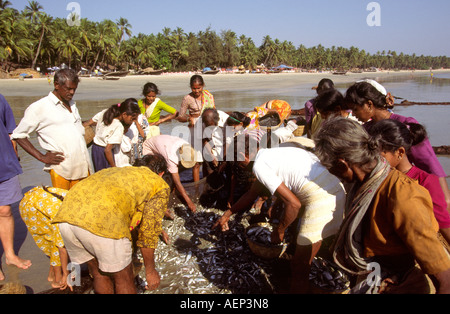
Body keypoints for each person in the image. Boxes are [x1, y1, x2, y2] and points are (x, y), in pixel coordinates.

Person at [314, 116, 450, 294]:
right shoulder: (362, 186)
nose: (335, 176)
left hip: (403, 286)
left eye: (331, 169)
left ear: (342, 164)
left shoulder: (403, 195)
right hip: (375, 277)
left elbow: (445, 280)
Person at [213, 134, 346, 293]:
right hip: (337, 192)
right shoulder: (274, 153)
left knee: (299, 267)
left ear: (243, 155)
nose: (240, 167)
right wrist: (227, 214)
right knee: (304, 257)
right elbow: (251, 194)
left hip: (322, 201)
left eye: (238, 162)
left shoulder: (260, 165)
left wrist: (279, 230)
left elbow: (294, 204)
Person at [52, 155, 171, 294]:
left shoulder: (119, 171)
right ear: (161, 173)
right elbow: (148, 232)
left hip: (67, 217)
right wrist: (150, 271)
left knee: (98, 273)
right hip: (102, 223)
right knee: (124, 278)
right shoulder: (158, 183)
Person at [345, 80, 450, 213]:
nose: (353, 114)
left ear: (369, 105)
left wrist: (445, 199)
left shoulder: (405, 125)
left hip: (405, 192)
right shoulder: (365, 130)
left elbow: (429, 163)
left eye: (355, 109)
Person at [368, 119, 450, 245]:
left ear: (400, 152)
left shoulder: (425, 181)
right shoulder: (376, 177)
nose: (373, 159)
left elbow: (443, 223)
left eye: (379, 154)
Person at [12, 69, 93, 190]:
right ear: (56, 85)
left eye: (74, 89)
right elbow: (18, 135)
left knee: (82, 204)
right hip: (62, 169)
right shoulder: (39, 107)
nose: (72, 92)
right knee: (63, 204)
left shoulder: (72, 104)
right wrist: (42, 157)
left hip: (83, 166)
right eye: (68, 89)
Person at [0, 94, 32, 281]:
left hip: (5, 163)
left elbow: (11, 131)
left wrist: (15, 155)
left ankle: (10, 255)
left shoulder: (1, 99)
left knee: (5, 211)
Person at [19, 186, 71, 290]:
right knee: (56, 243)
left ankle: (51, 273)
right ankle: (57, 278)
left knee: (54, 239)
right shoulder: (61, 217)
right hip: (30, 208)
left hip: (38, 197)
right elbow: (61, 249)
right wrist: (66, 274)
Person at [143, 134, 198, 213]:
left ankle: (172, 190)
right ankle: (154, 198)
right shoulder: (171, 156)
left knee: (172, 172)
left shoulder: (185, 145)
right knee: (154, 175)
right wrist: (189, 202)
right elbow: (177, 182)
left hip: (162, 145)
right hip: (149, 148)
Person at [84, 99, 141, 172]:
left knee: (99, 175)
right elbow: (107, 150)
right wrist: (114, 166)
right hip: (104, 153)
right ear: (124, 114)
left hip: (95, 149)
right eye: (132, 119)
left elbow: (89, 122)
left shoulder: (105, 112)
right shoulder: (118, 126)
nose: (133, 121)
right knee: (107, 177)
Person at [178, 75, 216, 182]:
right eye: (194, 88)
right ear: (190, 87)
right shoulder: (187, 99)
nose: (197, 91)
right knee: (197, 161)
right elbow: (180, 116)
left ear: (203, 86)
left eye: (199, 88)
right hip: (194, 131)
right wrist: (189, 119)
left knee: (207, 160)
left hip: (208, 129)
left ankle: (205, 183)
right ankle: (196, 188)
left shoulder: (209, 96)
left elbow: (214, 112)